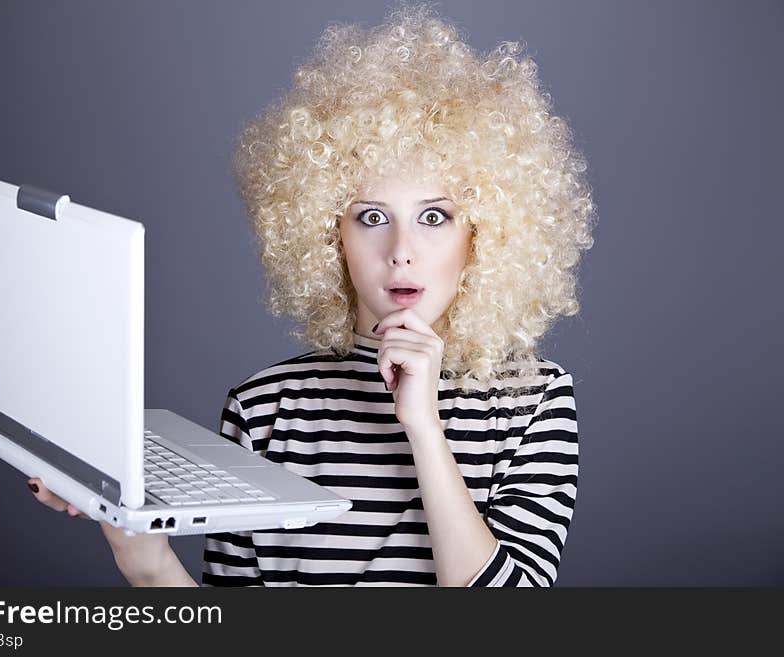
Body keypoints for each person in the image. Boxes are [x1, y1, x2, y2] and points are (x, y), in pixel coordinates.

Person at [30, 2, 596, 587]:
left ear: (481, 234)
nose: (401, 249)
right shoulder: (264, 407)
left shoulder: (530, 401)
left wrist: (423, 425)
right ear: (330, 235)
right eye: (372, 216)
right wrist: (140, 555)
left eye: (434, 217)